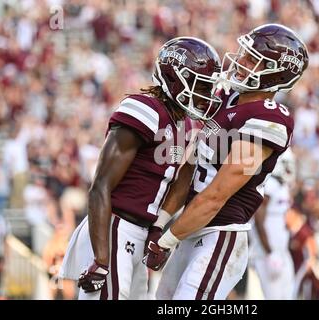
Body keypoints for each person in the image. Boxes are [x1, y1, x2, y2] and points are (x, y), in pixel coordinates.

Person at [144, 24, 309, 300]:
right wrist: (160, 223)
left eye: (252, 60)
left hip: (221, 234)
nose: (240, 62)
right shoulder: (225, 98)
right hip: (191, 227)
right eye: (245, 54)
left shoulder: (268, 118)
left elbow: (217, 196)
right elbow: (189, 169)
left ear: (275, 75)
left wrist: (166, 240)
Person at [59, 37, 223, 300]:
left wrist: (158, 229)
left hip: (139, 232)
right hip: (114, 228)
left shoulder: (183, 124)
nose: (205, 93)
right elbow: (100, 184)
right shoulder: (146, 109)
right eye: (200, 84)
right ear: (174, 78)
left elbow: (175, 182)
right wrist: (102, 258)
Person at [249, 149, 296, 299]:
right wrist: (270, 253)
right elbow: (259, 219)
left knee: (288, 294)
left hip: (281, 251)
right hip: (267, 253)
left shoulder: (282, 186)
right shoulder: (270, 184)